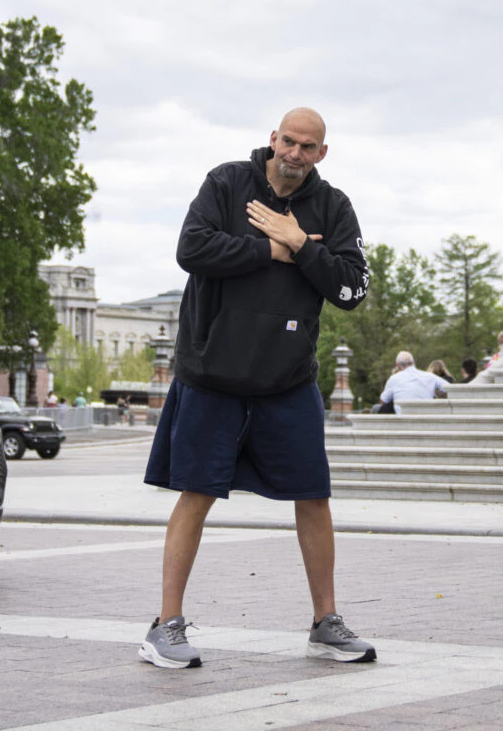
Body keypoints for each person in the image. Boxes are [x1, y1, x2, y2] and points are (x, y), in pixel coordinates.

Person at [140, 108, 375, 670]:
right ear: (273, 140)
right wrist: (267, 249)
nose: (295, 153)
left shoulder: (334, 207)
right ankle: (164, 626)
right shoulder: (226, 183)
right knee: (195, 493)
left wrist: (302, 244)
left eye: (308, 146)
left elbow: (352, 289)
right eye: (288, 142)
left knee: (313, 498)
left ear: (322, 153)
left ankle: (326, 624)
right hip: (212, 374)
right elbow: (191, 250)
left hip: (287, 380)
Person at [375, 352, 449, 413]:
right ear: (413, 363)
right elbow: (450, 389)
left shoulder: (394, 378)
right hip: (426, 420)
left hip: (404, 422)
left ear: (398, 366)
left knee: (378, 408)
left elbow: (383, 401)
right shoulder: (430, 376)